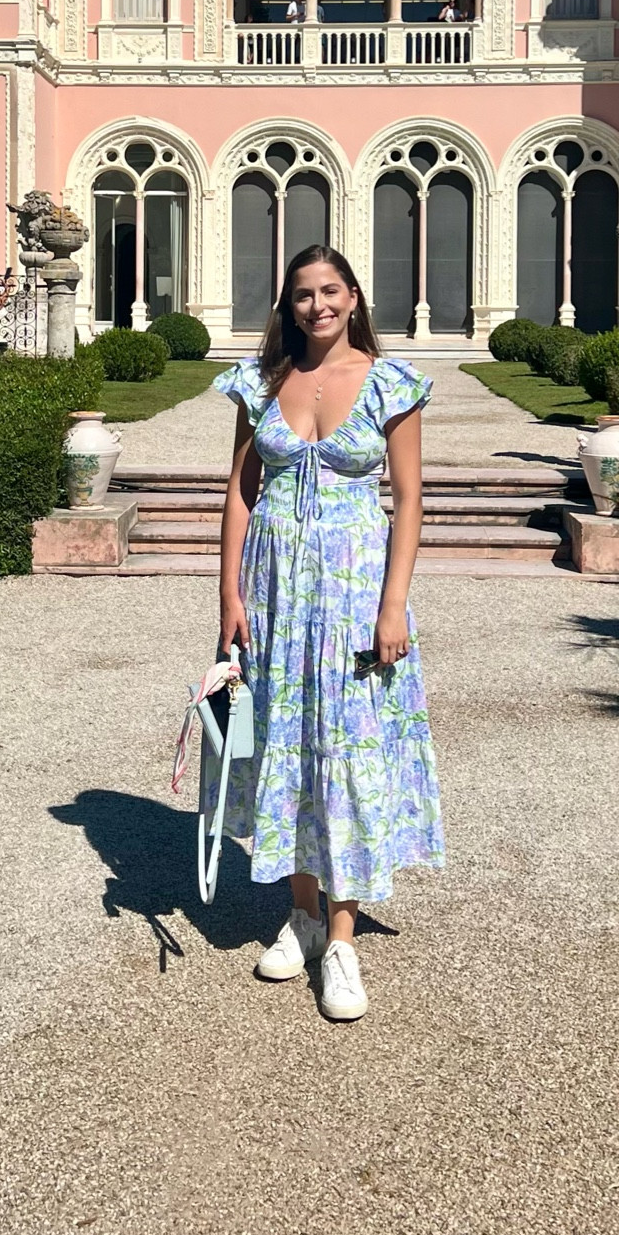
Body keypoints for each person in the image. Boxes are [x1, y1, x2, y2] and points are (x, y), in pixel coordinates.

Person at [214, 245, 444, 1021]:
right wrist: (229, 597)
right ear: (289, 305)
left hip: (353, 594)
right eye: (302, 295)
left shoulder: (389, 383)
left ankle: (342, 941)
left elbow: (408, 500)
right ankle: (303, 915)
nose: (316, 306)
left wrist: (391, 606)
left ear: (352, 296)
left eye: (329, 291)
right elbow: (241, 495)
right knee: (286, 740)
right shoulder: (261, 382)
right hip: (275, 593)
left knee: (346, 752)